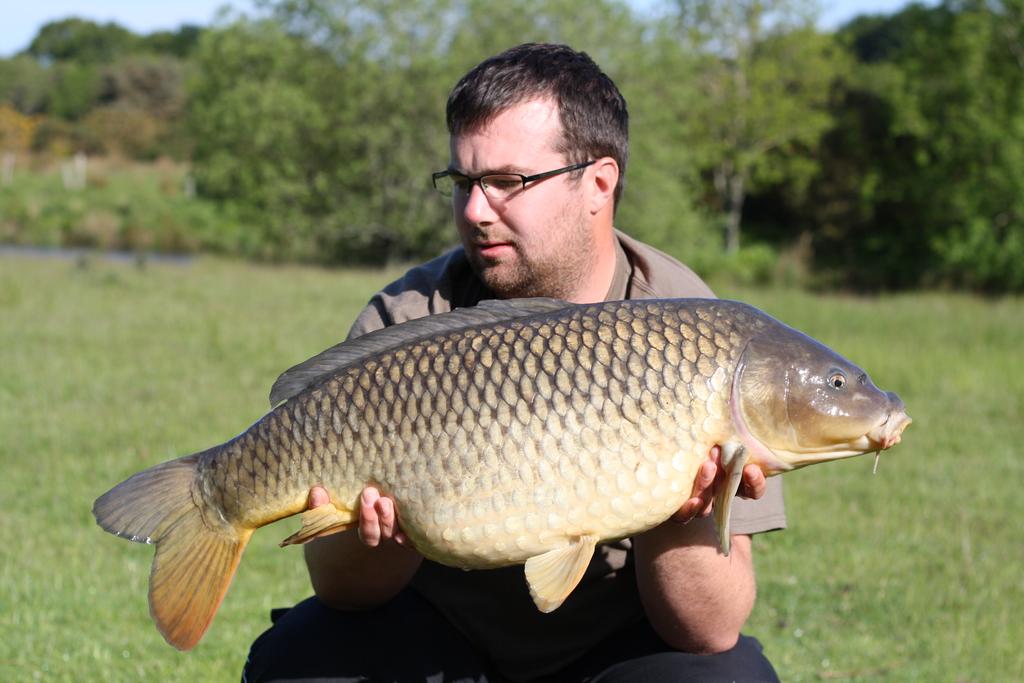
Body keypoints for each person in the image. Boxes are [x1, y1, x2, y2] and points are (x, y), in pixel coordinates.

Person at [243, 43, 786, 682]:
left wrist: (675, 513)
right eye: (462, 182)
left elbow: (709, 627)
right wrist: (384, 538)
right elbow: (345, 592)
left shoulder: (698, 335)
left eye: (507, 182)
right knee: (301, 661)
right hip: (439, 630)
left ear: (599, 183)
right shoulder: (411, 316)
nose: (474, 211)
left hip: (615, 641)